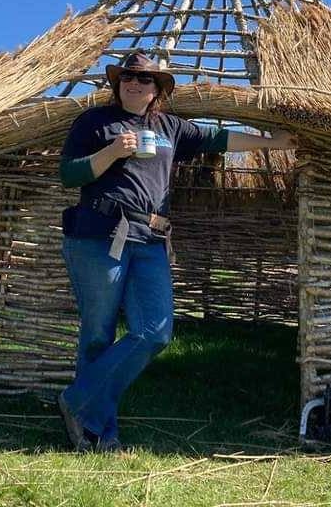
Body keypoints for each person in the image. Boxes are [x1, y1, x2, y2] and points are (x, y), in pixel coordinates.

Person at [57, 50, 296, 452]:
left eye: (144, 79)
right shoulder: (95, 122)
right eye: (127, 77)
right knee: (97, 333)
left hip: (150, 238)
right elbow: (68, 174)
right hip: (99, 235)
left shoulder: (170, 127)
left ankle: (77, 401)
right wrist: (111, 152)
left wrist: (272, 142)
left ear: (157, 89)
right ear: (117, 83)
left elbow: (219, 138)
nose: (134, 83)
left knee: (155, 330)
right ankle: (96, 431)